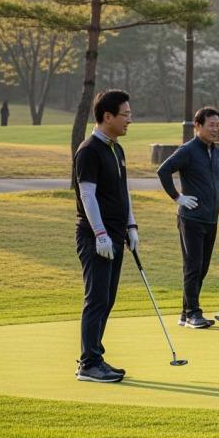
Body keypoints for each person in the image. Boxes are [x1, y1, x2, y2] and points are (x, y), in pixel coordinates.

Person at [73, 89, 137, 383]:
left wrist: (131, 226)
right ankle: (88, 364)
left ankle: (95, 355)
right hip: (95, 237)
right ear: (107, 116)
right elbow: (87, 194)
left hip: (115, 234)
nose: (129, 120)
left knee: (108, 298)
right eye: (125, 115)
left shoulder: (116, 148)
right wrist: (99, 233)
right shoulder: (89, 150)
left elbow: (123, 192)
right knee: (97, 298)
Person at [156, 106, 219, 329]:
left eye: (218, 125)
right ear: (198, 126)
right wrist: (177, 198)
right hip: (191, 219)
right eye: (211, 125)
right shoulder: (188, 150)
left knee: (203, 267)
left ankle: (185, 313)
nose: (215, 129)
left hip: (210, 219)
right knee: (193, 266)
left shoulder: (216, 151)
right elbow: (163, 170)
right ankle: (193, 313)